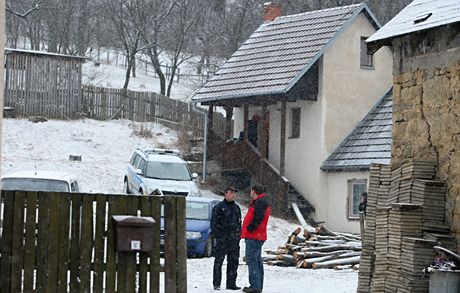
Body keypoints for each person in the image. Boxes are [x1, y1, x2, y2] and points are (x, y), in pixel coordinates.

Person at [211, 187, 242, 290]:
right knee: (219, 261)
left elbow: (239, 223)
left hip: (233, 239)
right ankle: (217, 283)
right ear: (226, 194)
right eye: (231, 193)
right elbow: (214, 224)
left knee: (233, 262)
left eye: (234, 193)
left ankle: (231, 283)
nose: (233, 195)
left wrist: (238, 236)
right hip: (222, 239)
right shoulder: (219, 207)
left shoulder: (236, 208)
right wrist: (219, 236)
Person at [241, 184, 270, 293]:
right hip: (257, 236)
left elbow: (258, 217)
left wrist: (250, 228)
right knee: (256, 260)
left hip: (254, 236)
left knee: (252, 260)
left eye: (251, 191)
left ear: (254, 191)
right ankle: (257, 285)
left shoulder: (259, 202)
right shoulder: (261, 201)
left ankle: (255, 286)